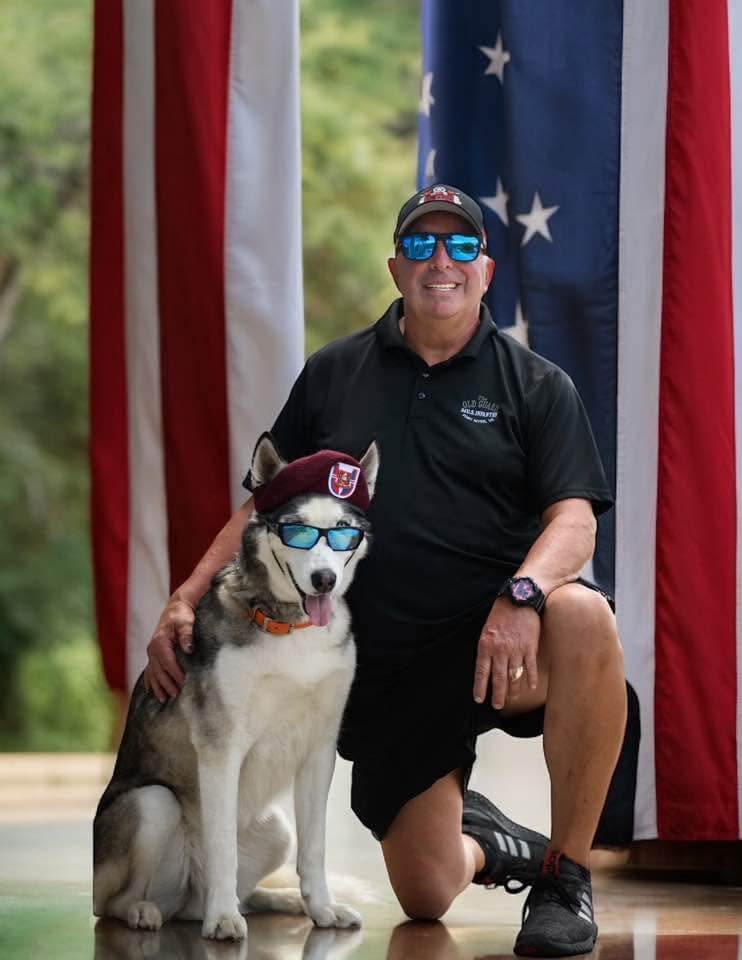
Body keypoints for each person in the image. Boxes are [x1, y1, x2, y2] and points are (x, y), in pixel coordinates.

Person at [144, 184, 627, 958]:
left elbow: (574, 520)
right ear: (397, 266)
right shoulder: (335, 374)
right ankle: (491, 842)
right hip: (380, 676)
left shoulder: (537, 386)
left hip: (493, 646)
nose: (444, 261)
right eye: (425, 246)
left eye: (462, 246)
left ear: (486, 269)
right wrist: (185, 596)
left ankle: (566, 877)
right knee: (428, 893)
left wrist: (524, 592)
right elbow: (264, 508)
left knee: (584, 617)